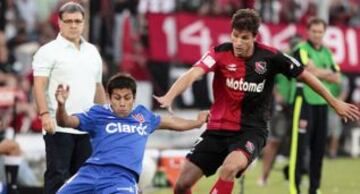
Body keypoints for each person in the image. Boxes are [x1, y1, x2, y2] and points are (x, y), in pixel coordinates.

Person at [154, 9, 360, 194]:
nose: (238, 43)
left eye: (244, 38)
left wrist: (334, 101)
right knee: (181, 185)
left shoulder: (271, 56)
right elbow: (193, 74)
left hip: (251, 130)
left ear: (254, 37)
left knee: (229, 168)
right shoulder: (219, 52)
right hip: (216, 129)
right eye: (235, 36)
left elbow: (305, 75)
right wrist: (169, 96)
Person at [49, 73, 208, 194]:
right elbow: (66, 122)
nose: (123, 103)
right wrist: (61, 105)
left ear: (134, 97)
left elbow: (172, 122)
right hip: (90, 172)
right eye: (117, 98)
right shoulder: (97, 114)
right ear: (109, 98)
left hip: (122, 177)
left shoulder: (144, 116)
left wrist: (196, 123)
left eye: (127, 97)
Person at [32, 2, 107, 194]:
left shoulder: (92, 51)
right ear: (59, 22)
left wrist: (105, 118)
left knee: (86, 181)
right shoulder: (47, 51)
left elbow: (97, 87)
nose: (73, 25)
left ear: (84, 23)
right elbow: (39, 86)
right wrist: (44, 115)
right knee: (57, 177)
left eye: (78, 21)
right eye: (69, 21)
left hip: (87, 126)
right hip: (58, 126)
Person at [288, 17, 342, 194]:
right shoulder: (301, 49)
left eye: (320, 32)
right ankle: (295, 188)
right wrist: (326, 72)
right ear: (308, 32)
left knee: (319, 149)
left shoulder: (327, 52)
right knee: (299, 148)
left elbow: (337, 77)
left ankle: (314, 189)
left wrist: (317, 71)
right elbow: (305, 72)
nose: (317, 35)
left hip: (322, 103)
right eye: (314, 31)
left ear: (324, 33)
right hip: (304, 102)